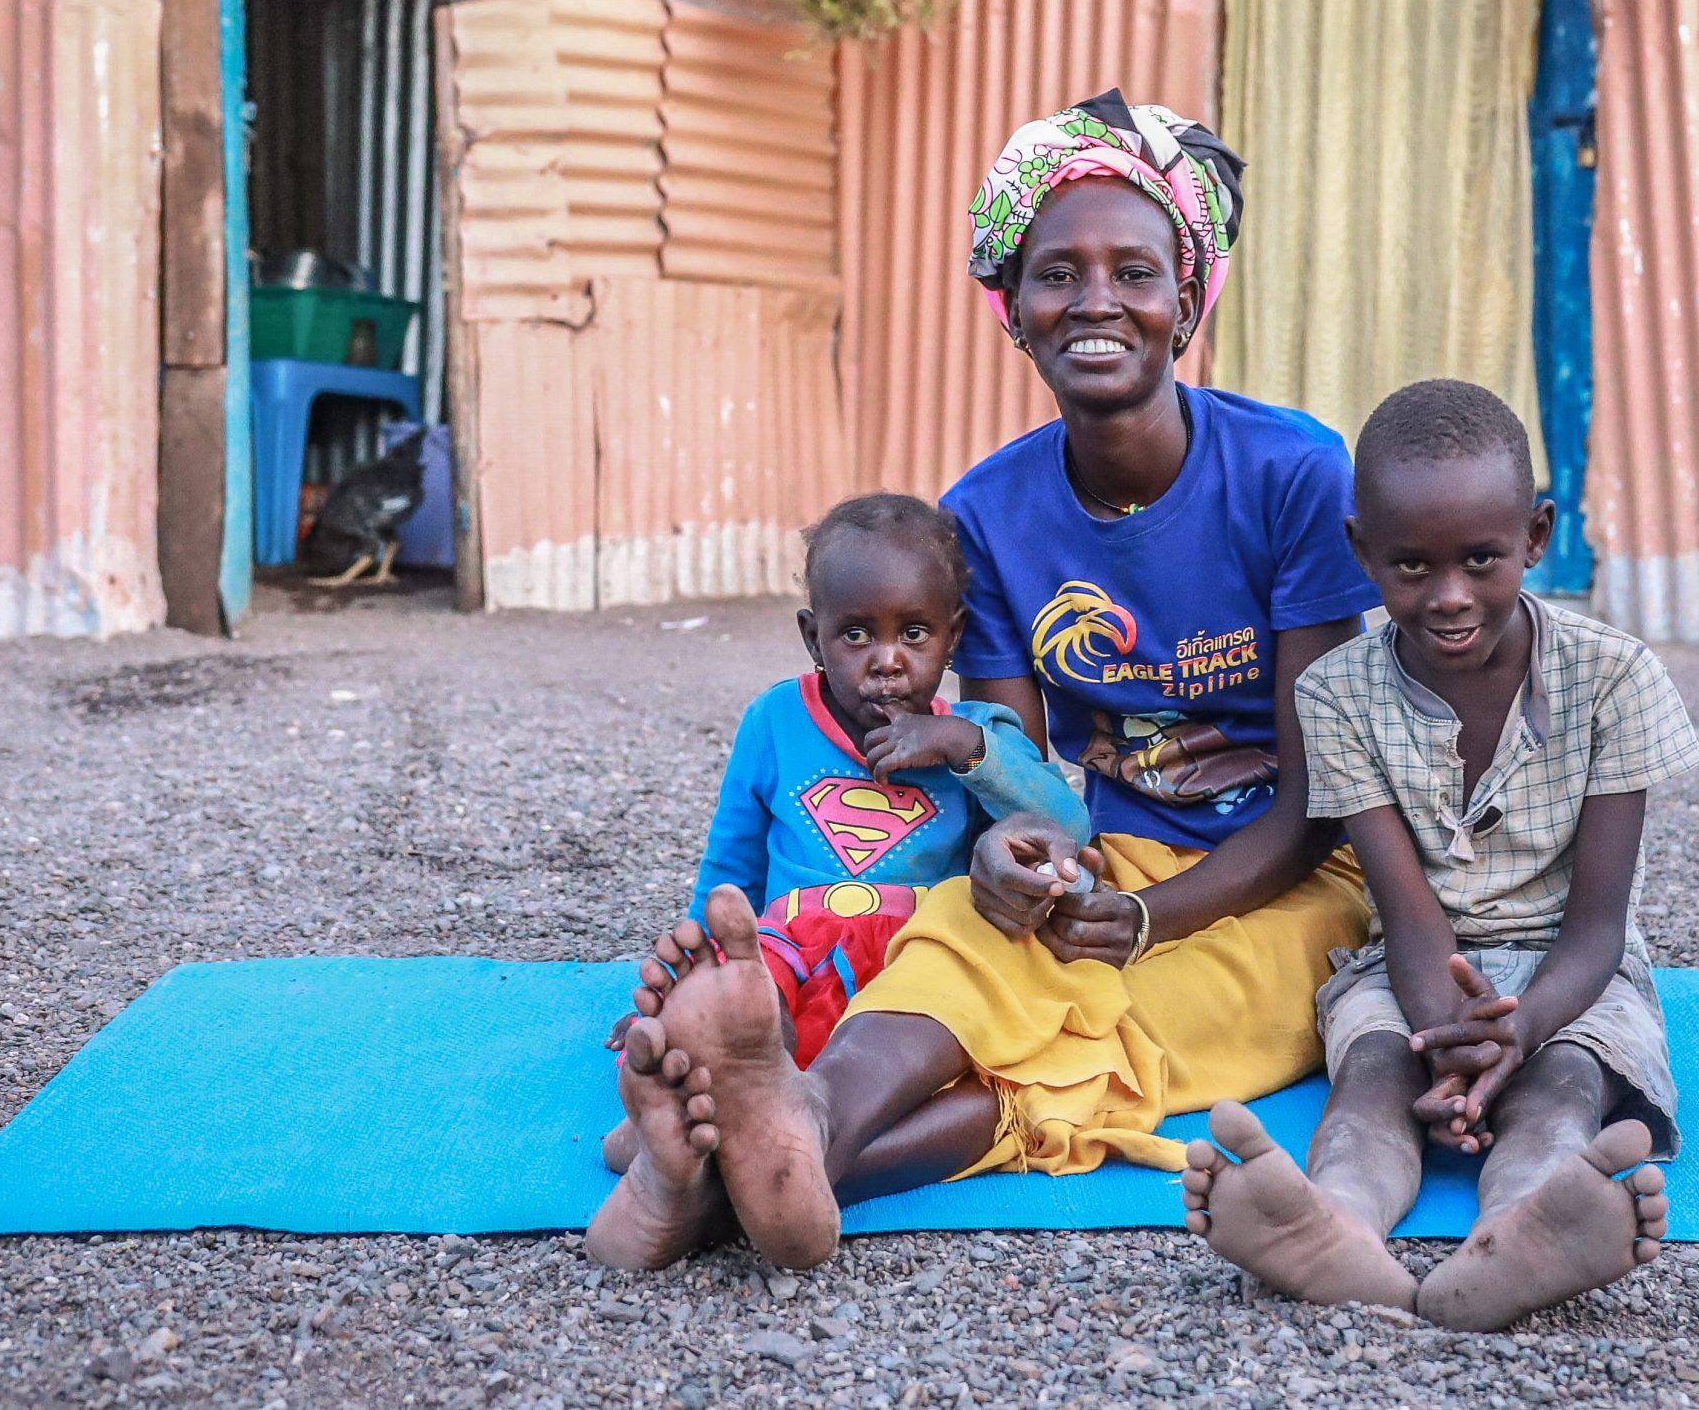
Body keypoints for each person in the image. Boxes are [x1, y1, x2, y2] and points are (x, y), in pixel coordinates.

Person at [586, 91, 1381, 1274]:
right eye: (1058, 273)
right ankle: (790, 1126)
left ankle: (747, 1162)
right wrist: (1019, 865)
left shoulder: (1291, 475)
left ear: (1187, 299)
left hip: (1290, 877)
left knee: (1131, 1026)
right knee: (963, 935)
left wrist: (1156, 918)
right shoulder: (989, 516)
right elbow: (1002, 760)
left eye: (1134, 271)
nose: (1097, 301)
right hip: (1101, 852)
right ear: (1014, 310)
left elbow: (1314, 802)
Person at [1179, 379, 1694, 1331]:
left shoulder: (1615, 676)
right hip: (1411, 969)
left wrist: (1519, 1028)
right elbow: (1408, 915)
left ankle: (1526, 1226)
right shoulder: (1336, 694)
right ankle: (1335, 1223)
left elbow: (1596, 924)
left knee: (1568, 1086)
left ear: (1536, 537)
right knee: (1374, 1076)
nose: (1448, 595)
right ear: (1360, 550)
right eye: (1410, 565)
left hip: (1570, 974)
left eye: (1482, 560)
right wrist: (1442, 1046)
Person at [585, 495, 1085, 1258]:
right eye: (856, 633)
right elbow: (730, 874)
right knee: (749, 980)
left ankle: (699, 1130)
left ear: (953, 634)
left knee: (967, 1038)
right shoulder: (776, 720)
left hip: (908, 966)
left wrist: (963, 746)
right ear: (812, 636)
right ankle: (699, 1065)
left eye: (914, 633)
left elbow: (1067, 825)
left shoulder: (980, 736)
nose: (887, 659)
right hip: (790, 945)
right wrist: (690, 971)